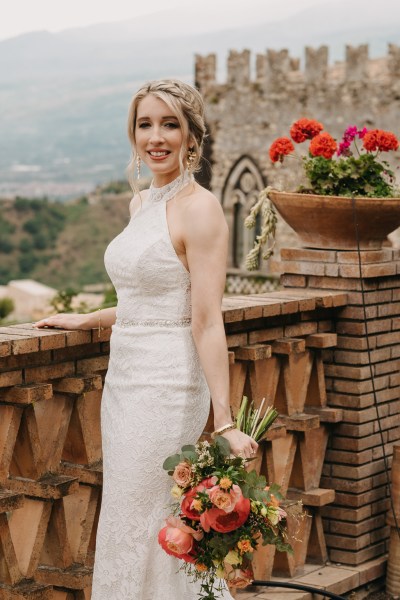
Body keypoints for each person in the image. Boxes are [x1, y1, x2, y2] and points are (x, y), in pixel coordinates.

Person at [34, 79, 258, 599]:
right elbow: (149, 297)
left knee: (156, 516)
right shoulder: (142, 204)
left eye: (169, 124)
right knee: (128, 512)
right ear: (133, 133)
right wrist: (90, 319)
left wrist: (223, 420)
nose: (155, 137)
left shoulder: (200, 209)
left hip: (168, 384)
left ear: (191, 134)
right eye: (145, 124)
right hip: (124, 379)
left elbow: (205, 318)